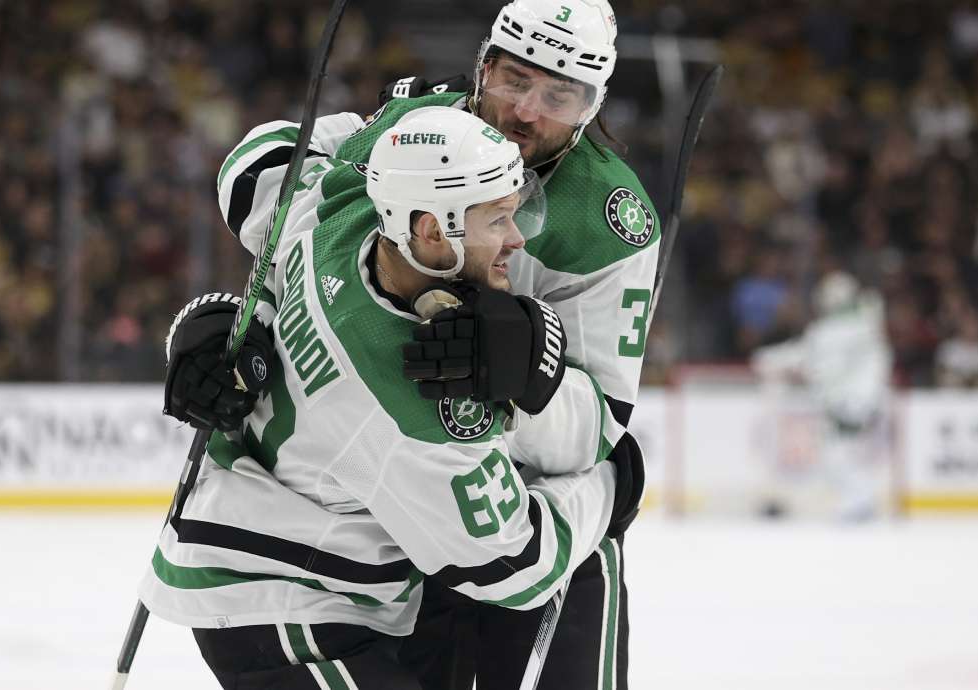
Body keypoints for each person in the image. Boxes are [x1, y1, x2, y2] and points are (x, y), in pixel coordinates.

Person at [174, 1, 656, 687]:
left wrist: (531, 381)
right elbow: (267, 162)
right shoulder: (415, 131)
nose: (526, 110)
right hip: (411, 519)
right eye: (514, 79)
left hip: (499, 500)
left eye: (560, 94)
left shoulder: (611, 225)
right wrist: (258, 315)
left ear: (592, 105)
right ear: (483, 65)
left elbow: (594, 434)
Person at [751, 271, 893, 520]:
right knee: (836, 454)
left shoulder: (835, 330)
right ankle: (859, 499)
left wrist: (768, 359)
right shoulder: (864, 325)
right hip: (861, 401)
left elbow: (808, 357)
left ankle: (861, 500)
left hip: (848, 402)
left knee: (835, 456)